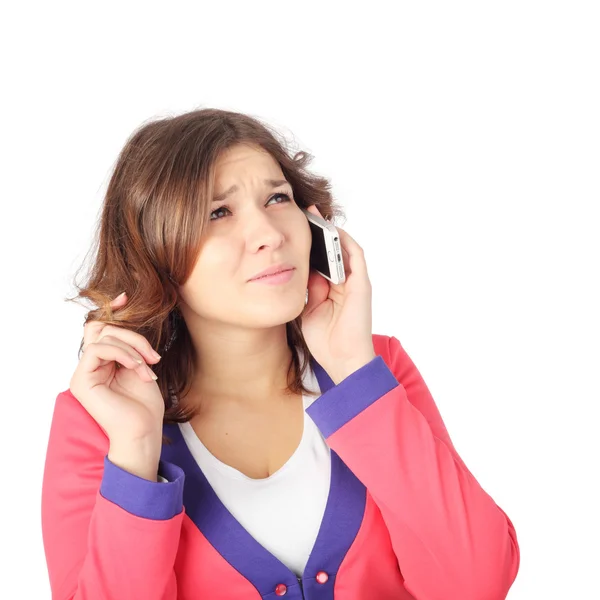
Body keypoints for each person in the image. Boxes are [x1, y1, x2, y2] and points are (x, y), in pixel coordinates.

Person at [42, 108, 520, 600]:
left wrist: (355, 374)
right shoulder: (101, 421)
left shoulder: (375, 370)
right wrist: (137, 450)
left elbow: (476, 584)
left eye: (277, 198)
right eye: (218, 212)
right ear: (154, 252)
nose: (270, 234)